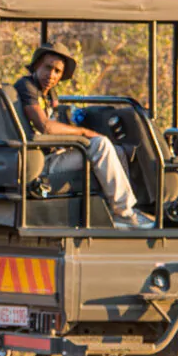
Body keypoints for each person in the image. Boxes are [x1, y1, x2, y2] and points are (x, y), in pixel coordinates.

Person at [14, 42, 154, 229]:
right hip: (39, 162)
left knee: (117, 151)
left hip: (52, 154)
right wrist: (83, 132)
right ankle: (124, 212)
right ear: (37, 64)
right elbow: (46, 127)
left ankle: (115, 209)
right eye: (48, 67)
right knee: (100, 145)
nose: (51, 75)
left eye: (57, 71)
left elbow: (53, 124)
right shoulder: (26, 86)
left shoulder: (48, 94)